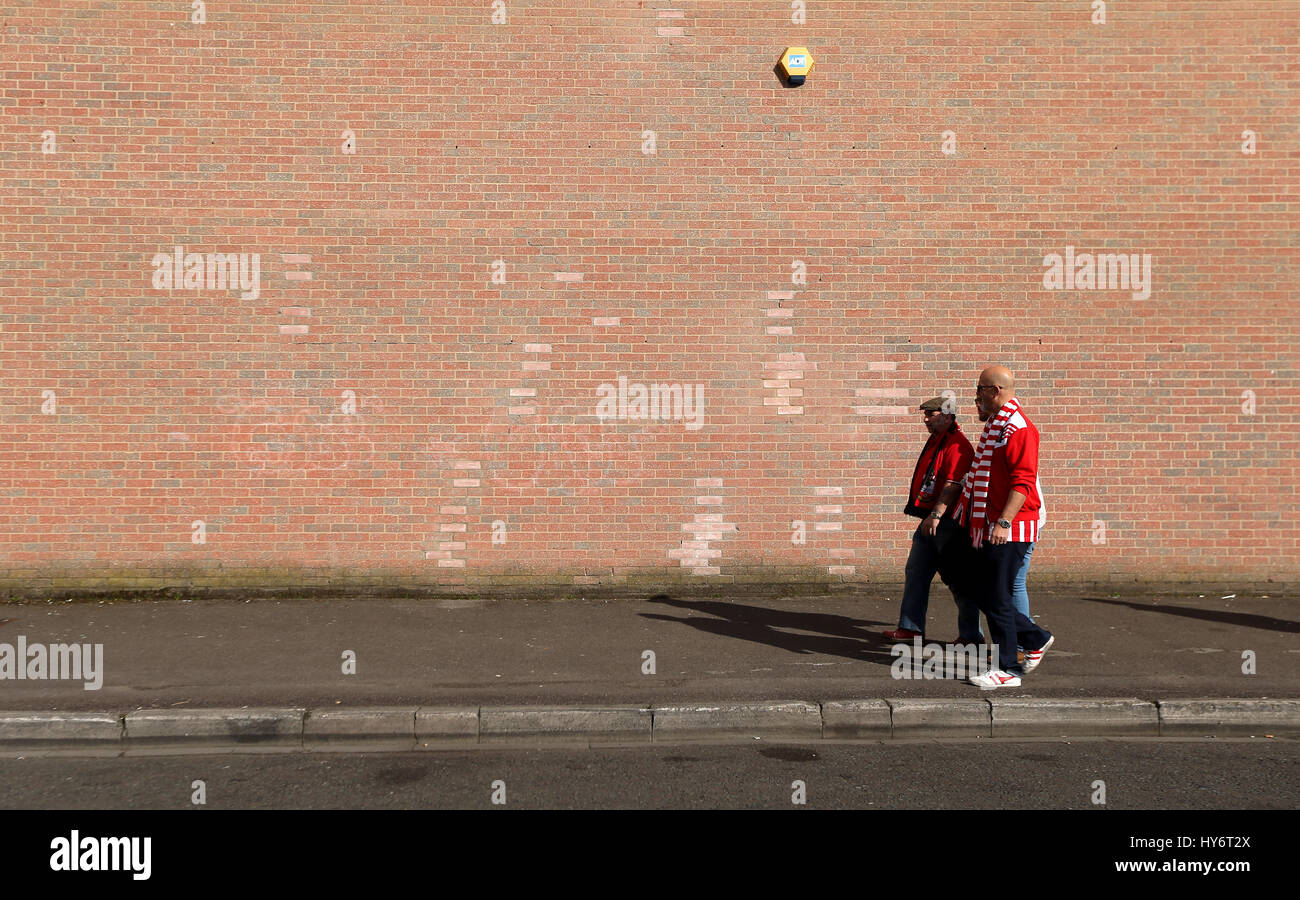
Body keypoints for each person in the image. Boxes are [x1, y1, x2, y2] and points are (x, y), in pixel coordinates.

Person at [953, 366, 1054, 688]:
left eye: (980, 389)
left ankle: (1008, 669)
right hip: (991, 524)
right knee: (981, 590)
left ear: (995, 390)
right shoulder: (998, 423)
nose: (976, 395)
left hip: (1011, 526)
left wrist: (1004, 522)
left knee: (996, 596)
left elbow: (1022, 481)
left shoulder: (1017, 426)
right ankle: (1034, 636)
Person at [882, 396, 983, 643]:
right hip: (931, 521)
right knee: (916, 571)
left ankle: (971, 636)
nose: (925, 420)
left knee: (958, 581)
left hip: (947, 524)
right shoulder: (937, 440)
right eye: (924, 415)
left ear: (948, 416)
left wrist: (936, 514)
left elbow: (953, 485)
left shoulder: (958, 446)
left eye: (931, 415)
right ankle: (911, 628)